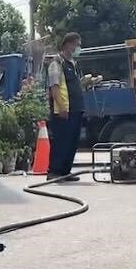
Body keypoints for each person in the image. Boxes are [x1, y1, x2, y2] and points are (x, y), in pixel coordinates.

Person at [46, 32, 85, 182]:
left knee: (72, 142)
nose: (78, 48)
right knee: (62, 141)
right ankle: (54, 171)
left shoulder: (72, 63)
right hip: (63, 111)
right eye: (77, 44)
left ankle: (65, 172)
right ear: (68, 44)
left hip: (76, 109)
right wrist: (62, 107)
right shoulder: (57, 63)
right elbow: (54, 88)